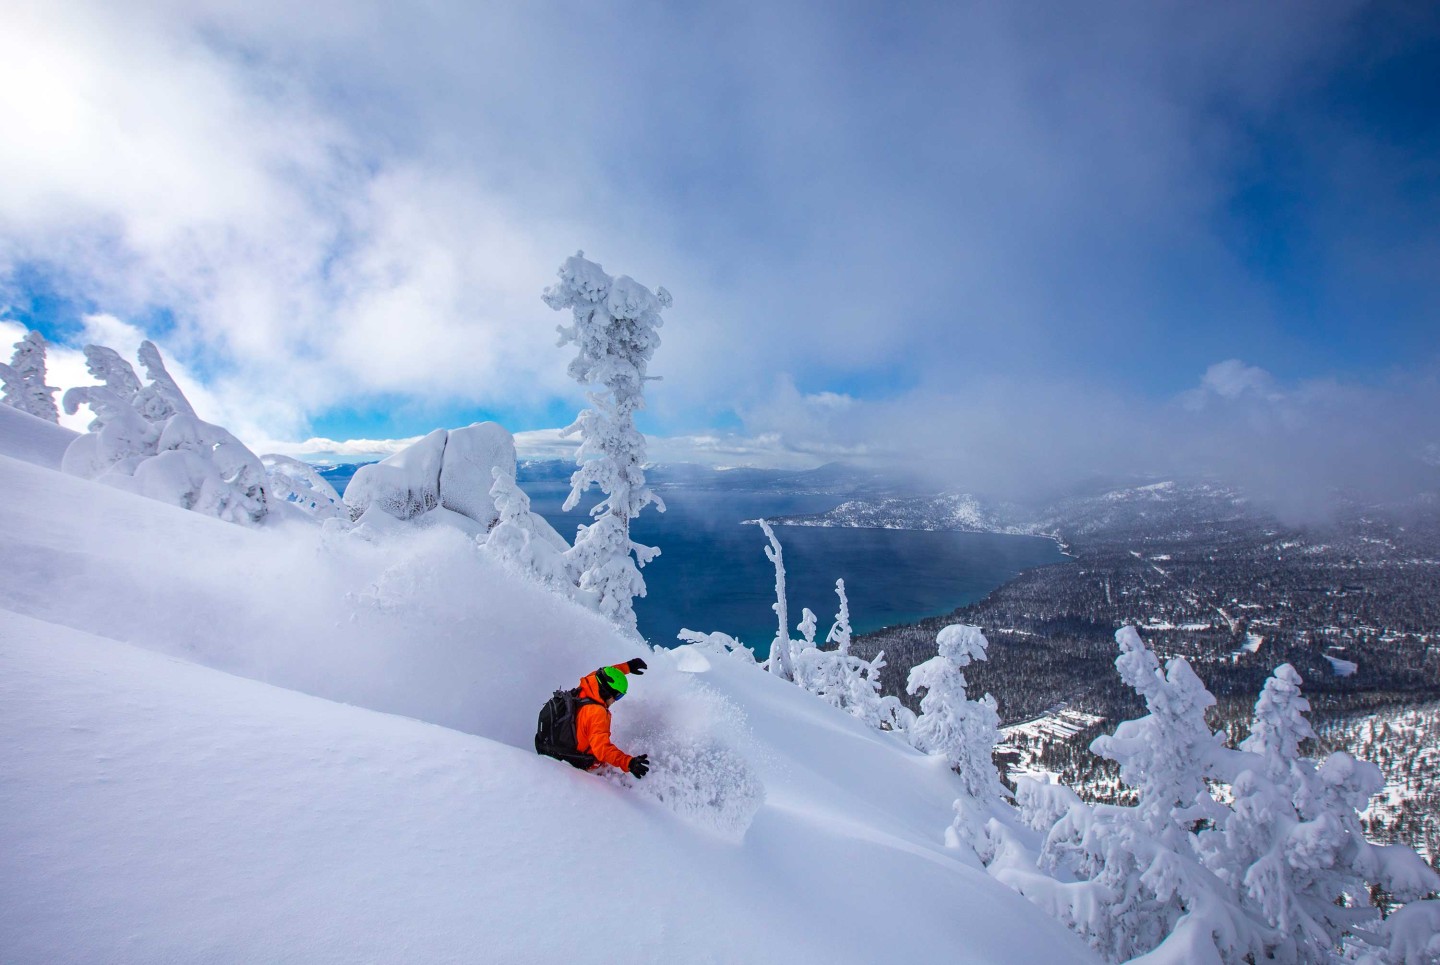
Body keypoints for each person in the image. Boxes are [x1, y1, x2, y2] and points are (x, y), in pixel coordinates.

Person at [574, 658, 650, 779]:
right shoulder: (596, 713)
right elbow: (602, 749)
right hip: (579, 761)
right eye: (618, 696)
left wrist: (628, 667)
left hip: (568, 740)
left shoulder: (589, 683)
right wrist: (628, 762)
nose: (615, 700)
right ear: (607, 693)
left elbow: (605, 674)